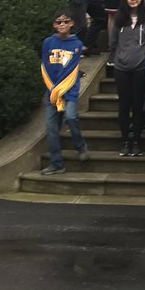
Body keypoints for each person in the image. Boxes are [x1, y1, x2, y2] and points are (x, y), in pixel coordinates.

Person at [39, 11, 90, 175]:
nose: (62, 25)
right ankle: (56, 163)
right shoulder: (48, 42)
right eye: (58, 22)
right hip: (52, 92)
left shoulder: (76, 44)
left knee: (71, 117)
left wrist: (62, 88)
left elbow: (71, 69)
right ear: (54, 25)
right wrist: (52, 89)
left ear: (71, 24)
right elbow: (45, 66)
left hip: (69, 91)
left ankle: (80, 145)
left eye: (65, 21)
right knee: (51, 128)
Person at [110, 0, 145, 157]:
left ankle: (136, 141)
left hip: (140, 68)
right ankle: (124, 141)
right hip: (121, 68)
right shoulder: (119, 20)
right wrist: (117, 59)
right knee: (124, 105)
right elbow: (113, 42)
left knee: (138, 106)